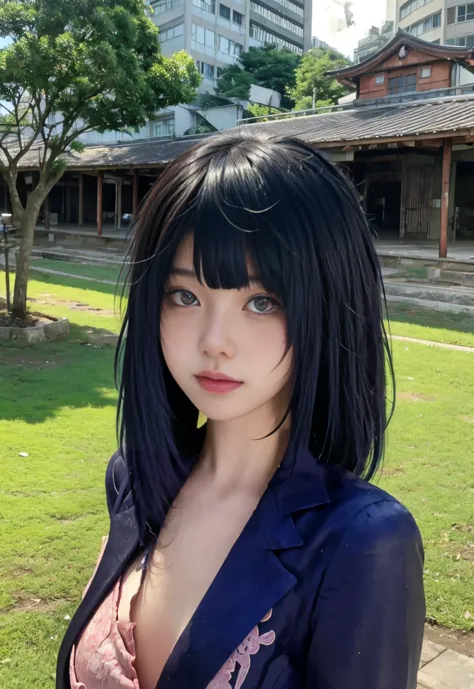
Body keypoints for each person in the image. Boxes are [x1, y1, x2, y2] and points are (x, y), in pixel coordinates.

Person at [56, 130, 425, 689]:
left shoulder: (360, 541)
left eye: (261, 301)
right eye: (184, 296)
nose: (214, 341)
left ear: (326, 308)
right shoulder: (134, 476)